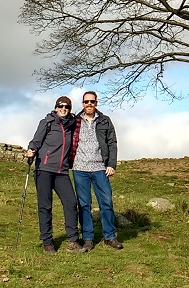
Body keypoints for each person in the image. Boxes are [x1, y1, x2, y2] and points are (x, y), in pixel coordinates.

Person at [26, 96, 84, 254]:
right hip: (44, 169)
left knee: (71, 202)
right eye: (61, 106)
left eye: (67, 107)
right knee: (45, 205)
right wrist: (31, 150)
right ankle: (47, 242)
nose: (63, 109)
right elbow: (36, 140)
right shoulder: (47, 122)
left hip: (62, 171)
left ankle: (73, 240)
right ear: (56, 107)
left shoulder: (71, 125)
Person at [71, 90, 123, 250]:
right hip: (79, 169)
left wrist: (111, 164)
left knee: (106, 203)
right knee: (84, 204)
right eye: (86, 102)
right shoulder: (75, 121)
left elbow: (112, 142)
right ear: (82, 104)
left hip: (100, 168)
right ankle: (88, 238)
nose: (89, 104)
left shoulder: (105, 121)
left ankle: (110, 236)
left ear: (96, 103)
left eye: (92, 102)